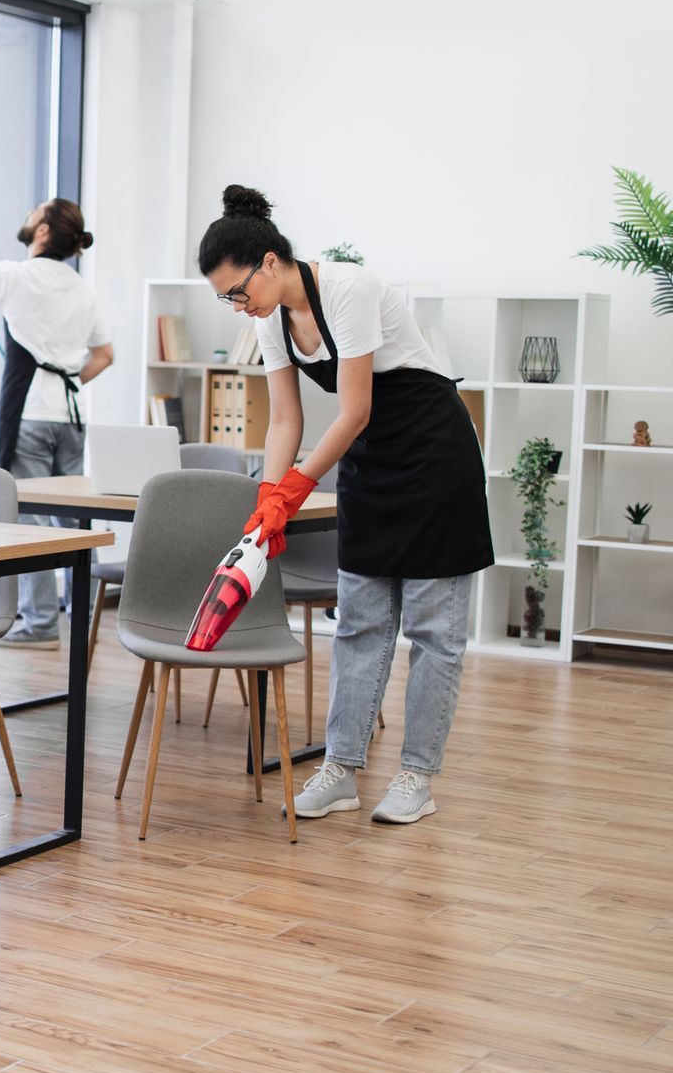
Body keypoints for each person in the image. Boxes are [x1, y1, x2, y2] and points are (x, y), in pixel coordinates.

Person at [199, 185, 492, 824]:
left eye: (238, 291)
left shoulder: (350, 289)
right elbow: (284, 421)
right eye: (226, 298)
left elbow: (354, 408)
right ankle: (341, 768)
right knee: (358, 622)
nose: (237, 306)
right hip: (368, 460)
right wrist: (266, 505)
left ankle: (416, 777)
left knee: (433, 631)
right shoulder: (271, 319)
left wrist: (297, 490)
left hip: (432, 455)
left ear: (270, 263)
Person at [0, 198, 113, 647]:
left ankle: (41, 624)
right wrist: (69, 380)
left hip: (29, 416)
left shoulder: (17, 276)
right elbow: (105, 355)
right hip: (72, 419)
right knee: (72, 524)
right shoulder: (81, 288)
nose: (28, 212)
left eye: (35, 211)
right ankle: (82, 621)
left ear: (45, 232)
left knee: (28, 525)